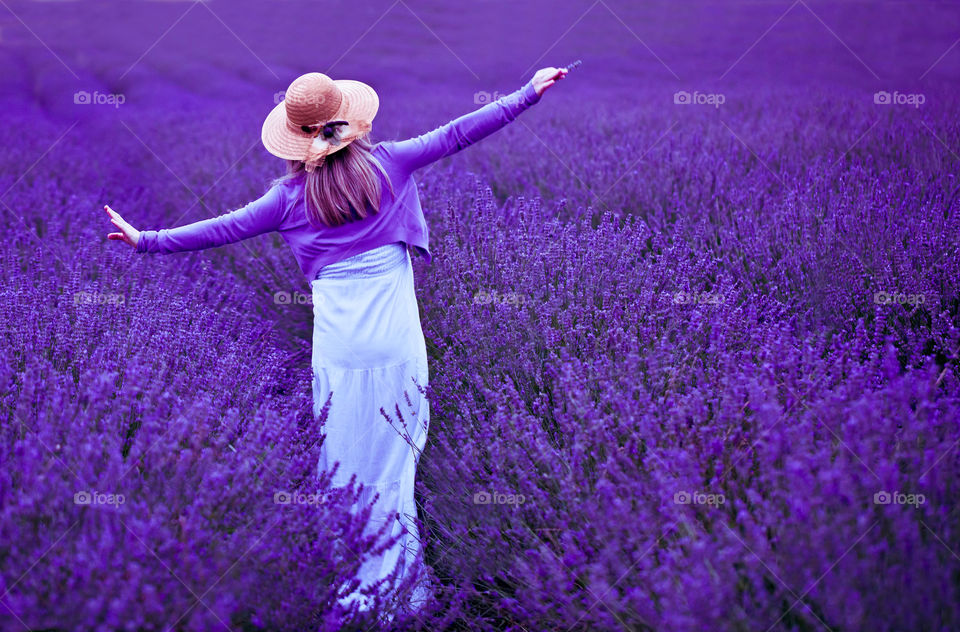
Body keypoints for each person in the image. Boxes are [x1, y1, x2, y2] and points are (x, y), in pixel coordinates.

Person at [103, 65, 568, 614]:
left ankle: (355, 573)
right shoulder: (390, 162)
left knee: (346, 461)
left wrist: (147, 240)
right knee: (395, 463)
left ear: (295, 138)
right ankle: (402, 586)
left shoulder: (285, 199)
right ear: (350, 121)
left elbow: (220, 228)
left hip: (341, 351)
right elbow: (459, 131)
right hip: (396, 343)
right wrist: (528, 93)